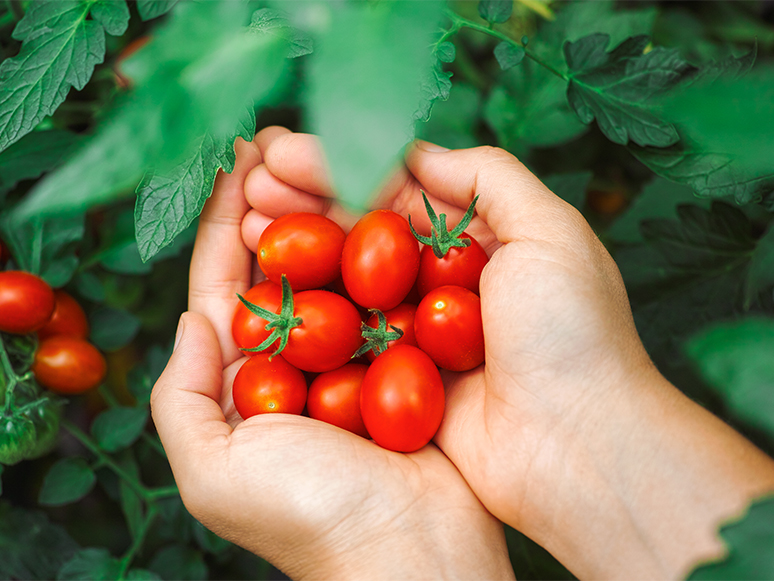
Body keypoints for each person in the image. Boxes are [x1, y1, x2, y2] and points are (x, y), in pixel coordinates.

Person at [151, 127, 774, 580]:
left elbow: (427, 312)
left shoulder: (407, 303)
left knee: (444, 306)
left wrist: (378, 549)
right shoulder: (356, 326)